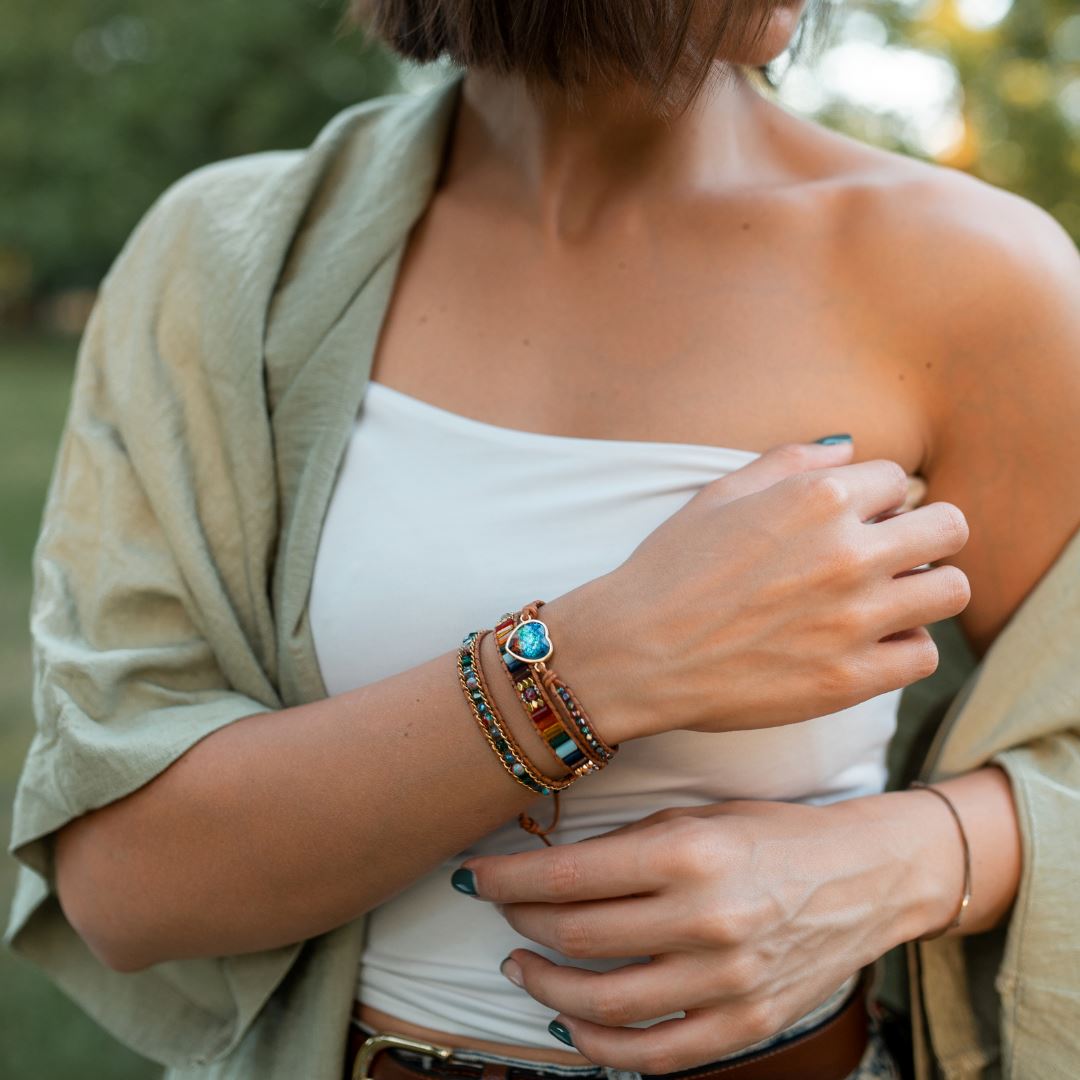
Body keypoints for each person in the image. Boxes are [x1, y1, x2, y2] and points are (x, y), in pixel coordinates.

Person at [6, 2, 1080, 1080]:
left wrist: (913, 862)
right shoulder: (230, 260)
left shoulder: (976, 275)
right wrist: (593, 669)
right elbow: (124, 883)